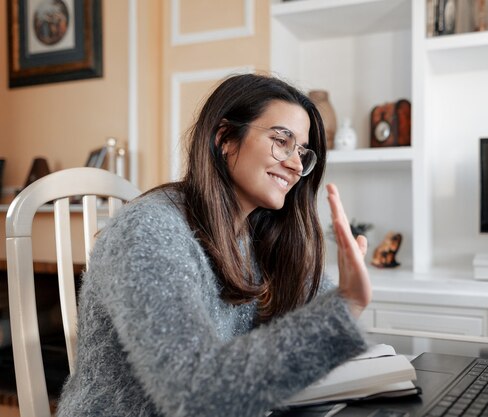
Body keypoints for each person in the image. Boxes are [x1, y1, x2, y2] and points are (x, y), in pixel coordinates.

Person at [55, 73, 372, 417]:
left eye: (302, 152)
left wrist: (333, 294)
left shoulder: (256, 236)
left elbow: (306, 316)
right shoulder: (148, 231)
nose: (296, 165)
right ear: (224, 138)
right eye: (282, 140)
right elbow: (194, 392)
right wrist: (346, 304)